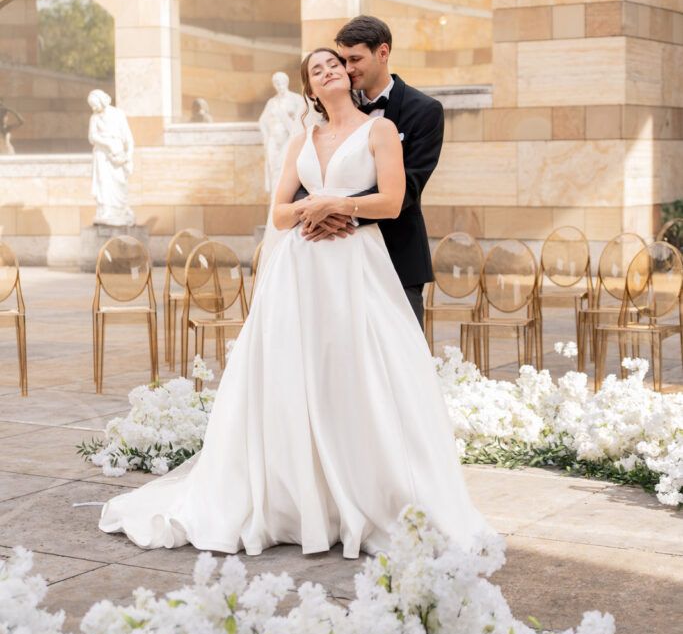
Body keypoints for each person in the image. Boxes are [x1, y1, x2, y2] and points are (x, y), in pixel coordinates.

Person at [99, 48, 490, 558]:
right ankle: (298, 497)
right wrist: (311, 206)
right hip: (301, 269)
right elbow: (279, 214)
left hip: (357, 266)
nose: (327, 72)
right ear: (309, 89)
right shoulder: (300, 139)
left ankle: (369, 490)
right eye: (316, 70)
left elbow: (392, 202)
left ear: (348, 76)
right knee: (296, 375)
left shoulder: (380, 131)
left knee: (358, 373)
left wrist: (337, 205)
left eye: (334, 65)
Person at [294, 16, 443, 329]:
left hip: (397, 253)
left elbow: (410, 187)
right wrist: (314, 207)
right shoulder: (332, 104)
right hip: (334, 254)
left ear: (383, 53)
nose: (346, 69)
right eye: (342, 60)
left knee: (400, 356)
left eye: (355, 59)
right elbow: (309, 169)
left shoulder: (424, 110)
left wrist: (338, 211)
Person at [87, 89, 136, 226]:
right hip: (102, 154)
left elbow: (128, 139)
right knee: (103, 181)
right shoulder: (94, 118)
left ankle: (121, 210)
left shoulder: (118, 114)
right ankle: (105, 210)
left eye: (95, 104)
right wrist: (107, 144)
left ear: (102, 101)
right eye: (92, 106)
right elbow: (92, 137)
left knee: (120, 182)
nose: (94, 108)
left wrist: (128, 156)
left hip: (117, 155)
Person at [258, 72, 307, 194]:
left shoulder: (296, 99)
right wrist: (266, 137)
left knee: (286, 172)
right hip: (274, 141)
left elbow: (300, 122)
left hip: (289, 141)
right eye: (277, 82)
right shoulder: (272, 102)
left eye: (282, 81)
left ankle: (284, 201)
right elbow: (262, 121)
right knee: (275, 172)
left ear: (287, 82)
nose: (280, 85)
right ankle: (274, 205)